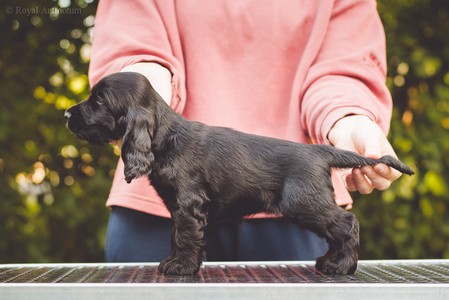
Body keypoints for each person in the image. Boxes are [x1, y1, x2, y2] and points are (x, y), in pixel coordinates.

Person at [88, 0, 402, 262]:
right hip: (153, 214)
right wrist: (140, 100)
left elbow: (342, 68)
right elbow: (134, 49)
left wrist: (349, 119)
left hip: (288, 194)